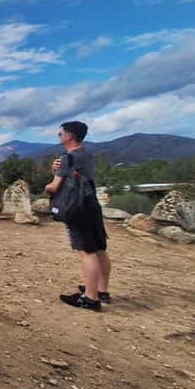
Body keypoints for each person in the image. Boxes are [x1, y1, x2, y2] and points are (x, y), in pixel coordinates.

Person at [44, 120, 110, 311]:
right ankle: (101, 290)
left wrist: (47, 187)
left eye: (60, 133)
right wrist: (56, 170)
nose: (58, 136)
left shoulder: (67, 158)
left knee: (86, 252)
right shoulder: (87, 154)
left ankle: (90, 298)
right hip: (91, 205)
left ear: (69, 136)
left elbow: (53, 187)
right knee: (99, 249)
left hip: (76, 208)